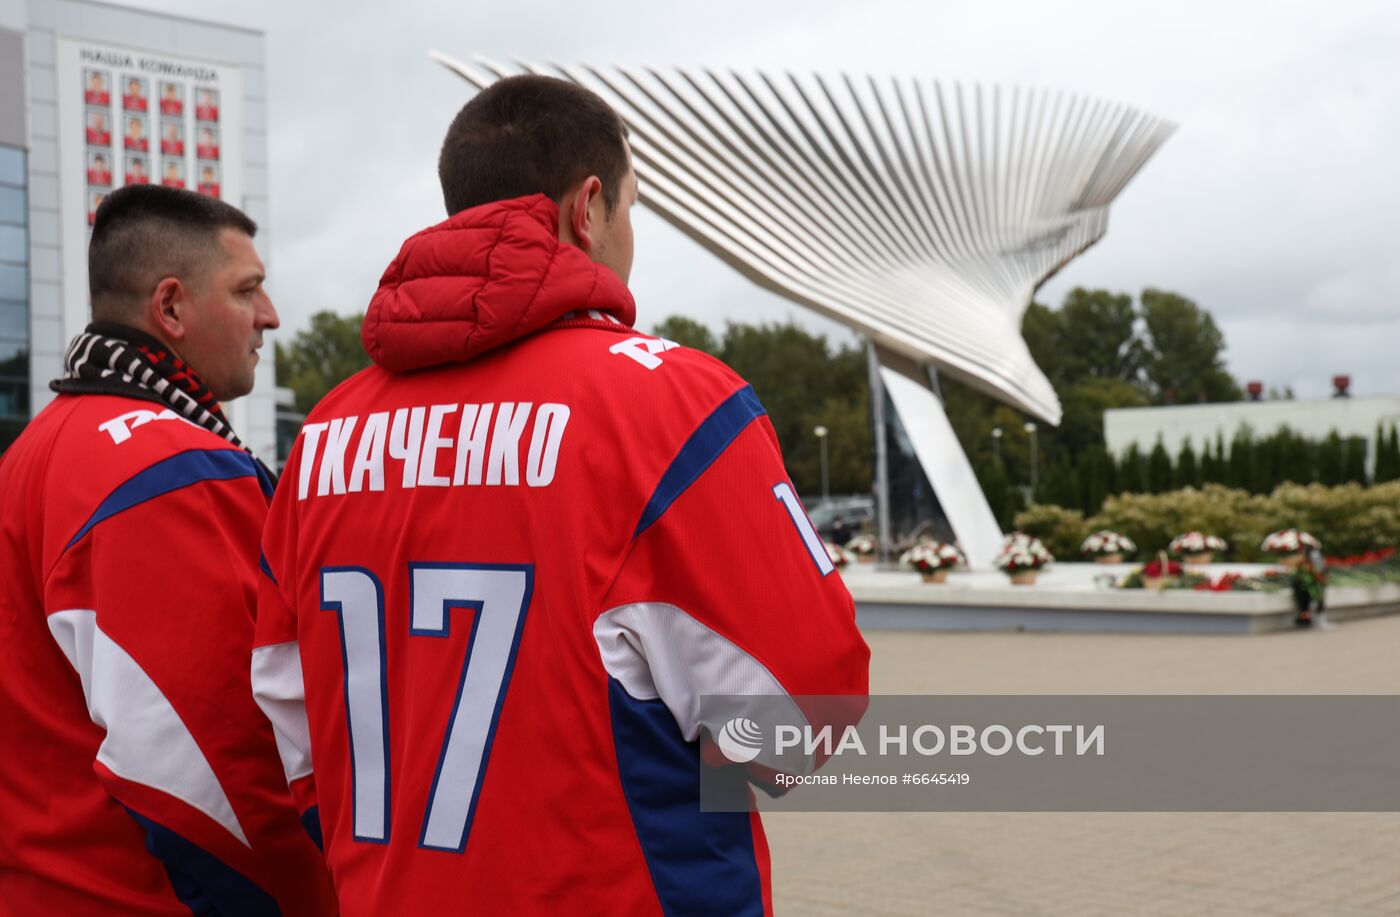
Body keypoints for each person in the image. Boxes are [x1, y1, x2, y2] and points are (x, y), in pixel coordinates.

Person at [254, 74, 869, 916]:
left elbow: (293, 722)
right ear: (589, 209)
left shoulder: (323, 435)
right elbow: (805, 720)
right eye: (631, 210)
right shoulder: (673, 405)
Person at [0, 185, 337, 915]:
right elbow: (217, 771)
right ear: (172, 308)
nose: (271, 317)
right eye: (248, 290)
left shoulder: (37, 445)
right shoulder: (168, 469)